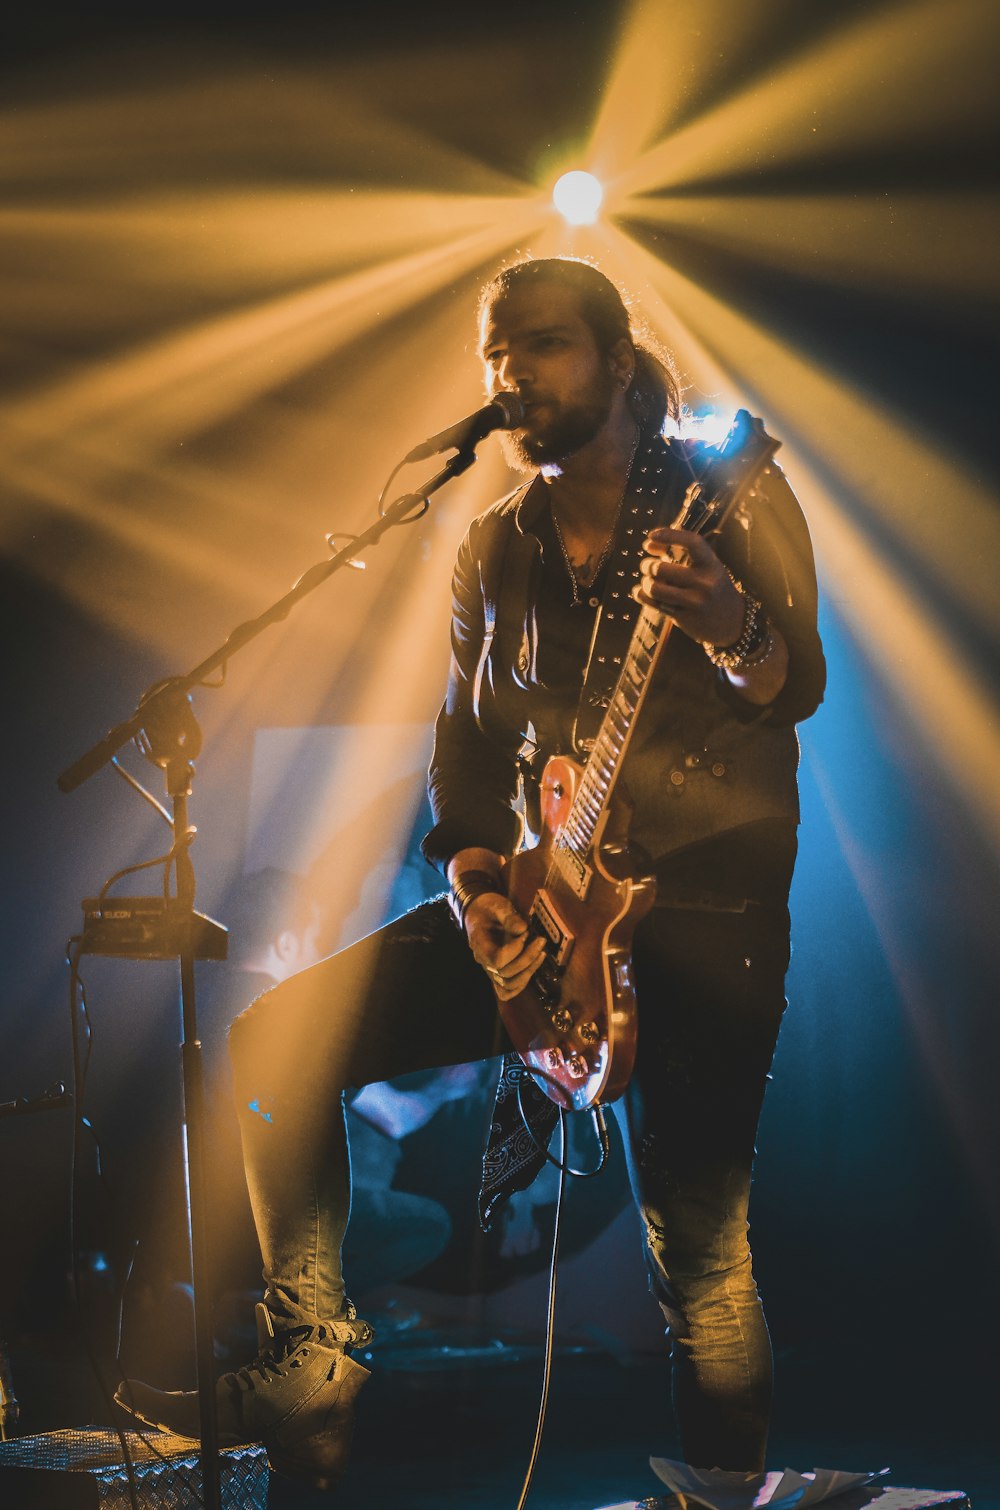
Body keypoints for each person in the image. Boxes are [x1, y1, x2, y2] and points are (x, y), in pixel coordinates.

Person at [117, 256, 825, 1492]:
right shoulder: (494, 544)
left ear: (615, 360)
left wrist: (727, 623)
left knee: (699, 1261)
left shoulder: (722, 493)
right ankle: (316, 1351)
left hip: (705, 912)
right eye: (496, 352)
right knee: (280, 1043)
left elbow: (793, 685)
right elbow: (465, 749)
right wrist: (477, 882)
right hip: (548, 903)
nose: (511, 374)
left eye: (543, 345)